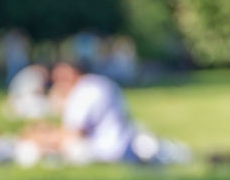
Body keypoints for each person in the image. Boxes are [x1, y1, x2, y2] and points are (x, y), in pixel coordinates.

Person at [18, 60, 155, 166]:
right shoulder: (96, 84)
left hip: (106, 151)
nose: (58, 85)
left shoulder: (85, 90)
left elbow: (73, 134)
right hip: (119, 145)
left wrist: (40, 137)